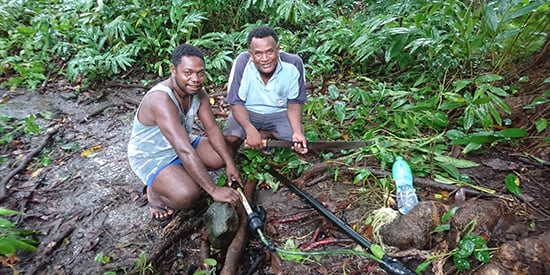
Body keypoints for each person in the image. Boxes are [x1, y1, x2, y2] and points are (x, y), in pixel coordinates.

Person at [128, 44, 242, 222]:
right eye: (188, 73)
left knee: (221, 155)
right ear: (173, 70)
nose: (195, 79)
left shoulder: (198, 92)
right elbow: (184, 150)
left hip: (182, 142)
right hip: (152, 154)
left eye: (200, 73)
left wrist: (229, 163)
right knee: (187, 195)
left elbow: (212, 129)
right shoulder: (161, 99)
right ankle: (155, 191)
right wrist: (213, 190)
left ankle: (178, 173)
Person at [224, 26, 308, 155]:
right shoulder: (242, 62)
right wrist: (249, 129)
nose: (264, 59)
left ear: (278, 50)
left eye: (269, 52)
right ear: (251, 54)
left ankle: (266, 133)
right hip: (249, 111)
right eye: (258, 53)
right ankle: (250, 142)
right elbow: (235, 102)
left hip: (280, 113)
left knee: (294, 139)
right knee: (231, 138)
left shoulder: (293, 64)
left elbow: (294, 102)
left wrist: (297, 132)